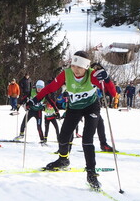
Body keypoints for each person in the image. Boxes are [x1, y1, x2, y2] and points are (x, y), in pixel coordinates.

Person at [34, 51, 116, 189]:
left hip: (91, 108)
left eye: (79, 67)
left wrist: (107, 79)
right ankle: (63, 160)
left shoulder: (92, 75)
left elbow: (112, 93)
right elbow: (50, 88)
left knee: (87, 139)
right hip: (74, 108)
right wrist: (35, 99)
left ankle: (91, 173)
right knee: (63, 136)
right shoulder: (66, 74)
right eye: (73, 66)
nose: (75, 70)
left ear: (86, 67)